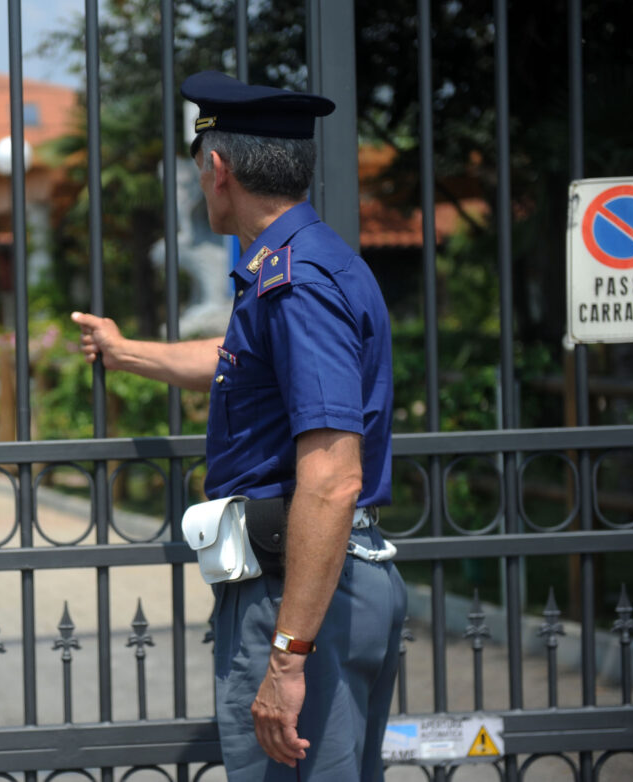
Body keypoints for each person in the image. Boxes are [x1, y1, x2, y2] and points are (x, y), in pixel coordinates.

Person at [71, 70, 406, 780]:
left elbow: (333, 477)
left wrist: (288, 656)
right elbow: (234, 359)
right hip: (322, 582)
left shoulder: (296, 285)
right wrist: (124, 350)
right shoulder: (305, 265)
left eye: (199, 169)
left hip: (305, 589)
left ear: (218, 169)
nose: (198, 184)